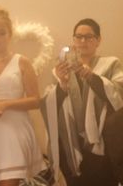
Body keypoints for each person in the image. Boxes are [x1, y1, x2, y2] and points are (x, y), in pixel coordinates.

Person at [42, 18, 123, 186]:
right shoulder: (60, 71)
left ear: (98, 40)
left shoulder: (111, 64)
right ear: (73, 41)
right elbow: (47, 105)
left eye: (89, 37)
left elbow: (119, 94)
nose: (82, 41)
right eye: (78, 37)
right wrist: (62, 85)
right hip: (70, 145)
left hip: (103, 145)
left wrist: (92, 77)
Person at [0, 6, 44, 186]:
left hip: (15, 131)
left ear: (10, 34)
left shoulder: (21, 62)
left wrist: (6, 104)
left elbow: (35, 100)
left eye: (1, 33)